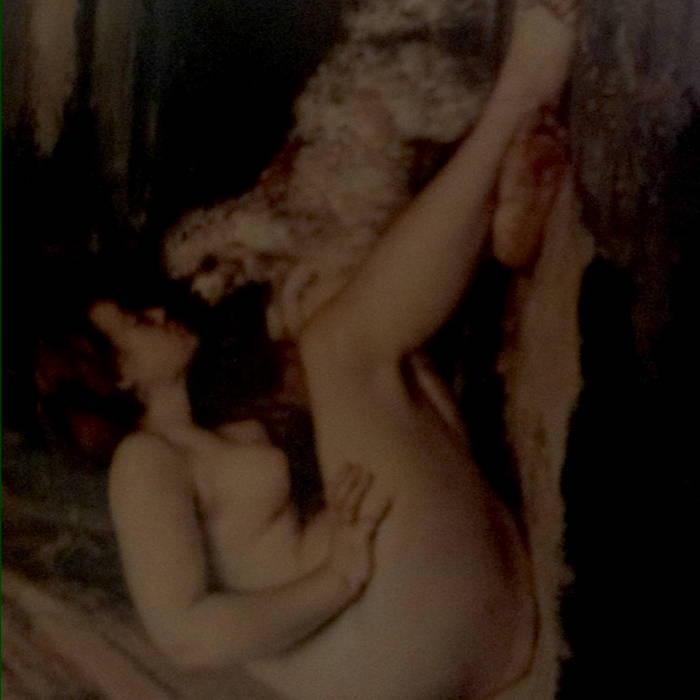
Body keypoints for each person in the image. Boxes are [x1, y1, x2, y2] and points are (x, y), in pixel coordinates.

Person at [90, 2, 577, 698]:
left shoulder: (210, 419)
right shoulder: (141, 463)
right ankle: (525, 88)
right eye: (134, 323)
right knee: (339, 345)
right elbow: (188, 638)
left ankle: (501, 226)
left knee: (343, 316)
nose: (158, 313)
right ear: (117, 375)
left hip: (450, 627)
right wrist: (337, 579)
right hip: (387, 641)